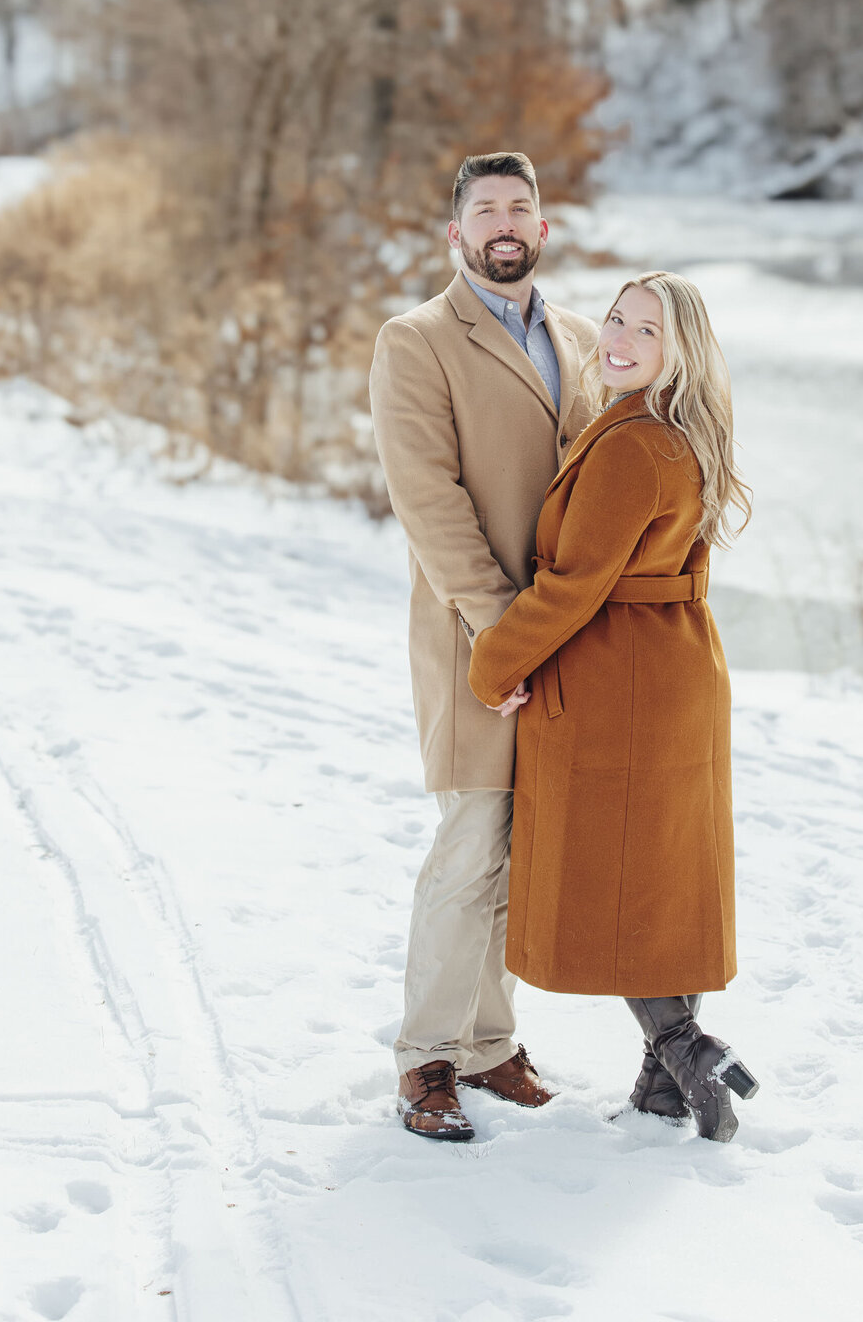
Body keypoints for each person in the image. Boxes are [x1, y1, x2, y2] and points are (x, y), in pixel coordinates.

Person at [467, 272, 759, 1142]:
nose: (619, 340)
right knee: (663, 875)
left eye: (647, 331)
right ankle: (665, 1086)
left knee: (619, 879)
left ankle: (685, 1047)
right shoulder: (683, 430)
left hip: (618, 677)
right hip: (679, 666)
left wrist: (493, 664)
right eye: (618, 320)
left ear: (682, 351)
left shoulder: (633, 446)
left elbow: (570, 587)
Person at [369, 151, 599, 1142]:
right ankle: (427, 1056)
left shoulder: (588, 340)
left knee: (529, 848)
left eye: (521, 207)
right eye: (485, 209)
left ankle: (493, 1044)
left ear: (542, 229)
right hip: (481, 640)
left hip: (571, 646)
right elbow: (431, 506)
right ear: (454, 234)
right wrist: (506, 636)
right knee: (470, 845)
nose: (504, 223)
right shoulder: (416, 341)